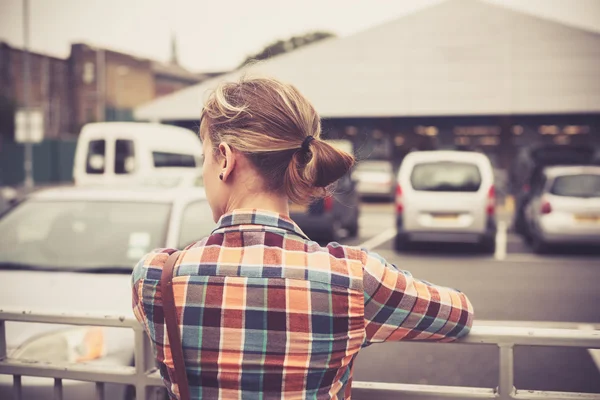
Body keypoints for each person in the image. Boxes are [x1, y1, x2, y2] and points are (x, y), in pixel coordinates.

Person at [132, 77, 474, 399]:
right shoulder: (355, 278)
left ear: (224, 158)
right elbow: (459, 314)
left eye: (205, 157)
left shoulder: (155, 277)